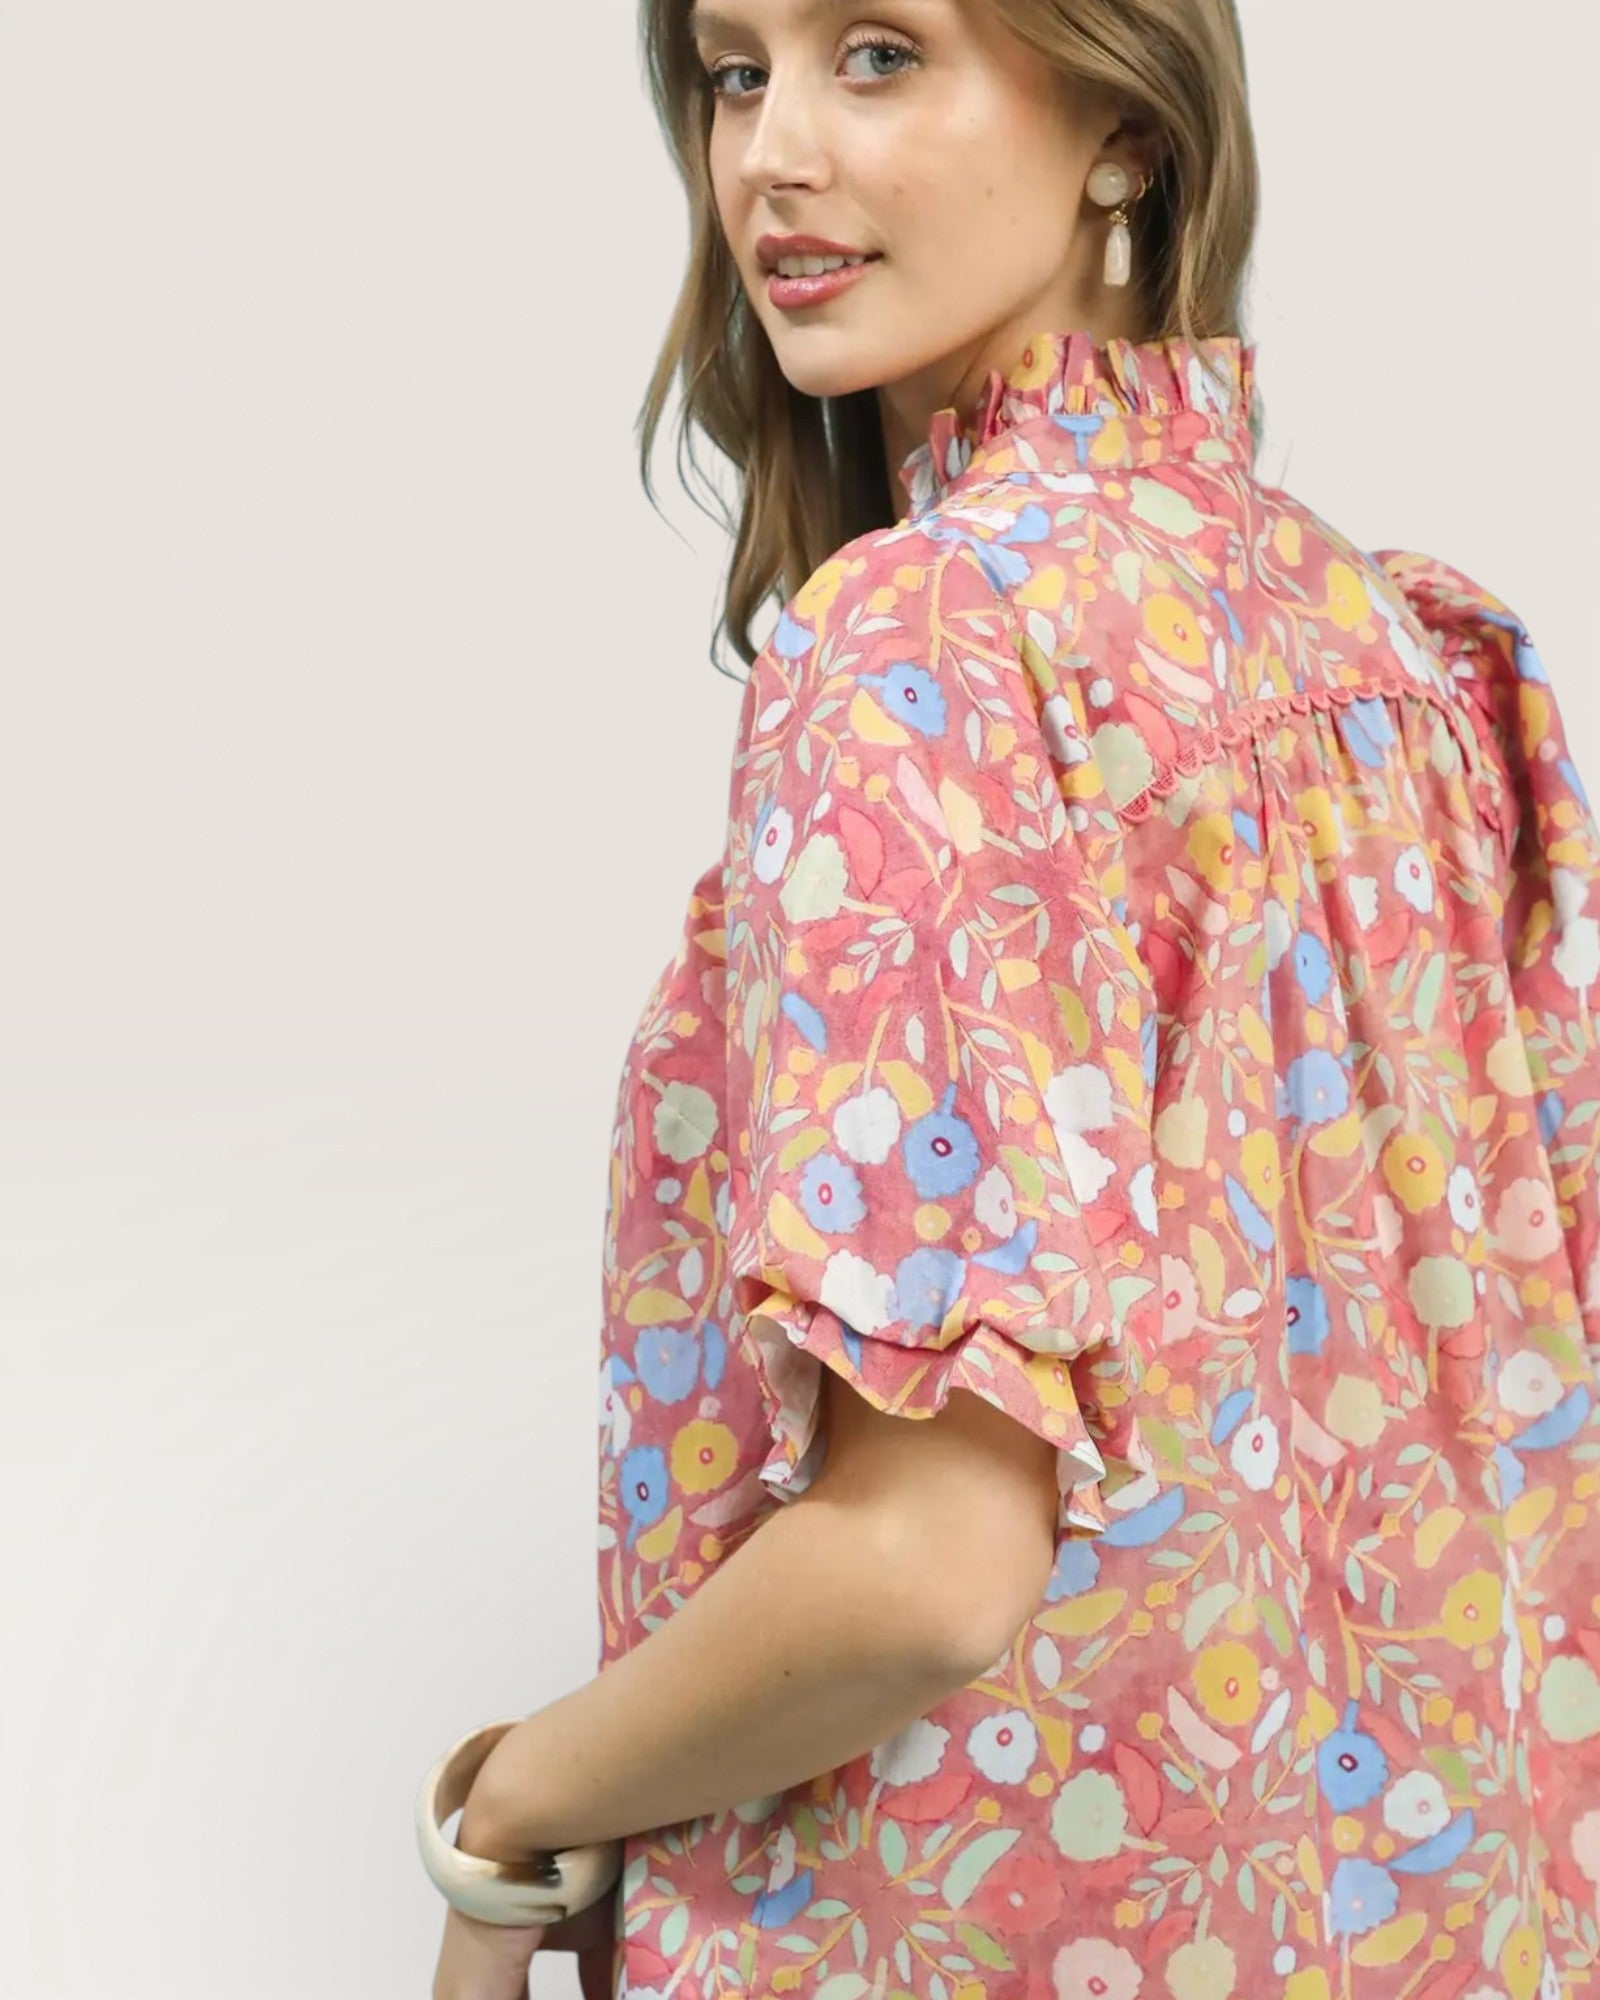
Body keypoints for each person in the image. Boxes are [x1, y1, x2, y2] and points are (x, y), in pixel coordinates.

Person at [437, 3, 1600, 1997]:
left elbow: (919, 1573)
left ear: (1123, 132)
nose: (771, 155)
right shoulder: (1399, 650)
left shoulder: (923, 651)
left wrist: (510, 1818)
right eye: (735, 71)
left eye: (875, 53)